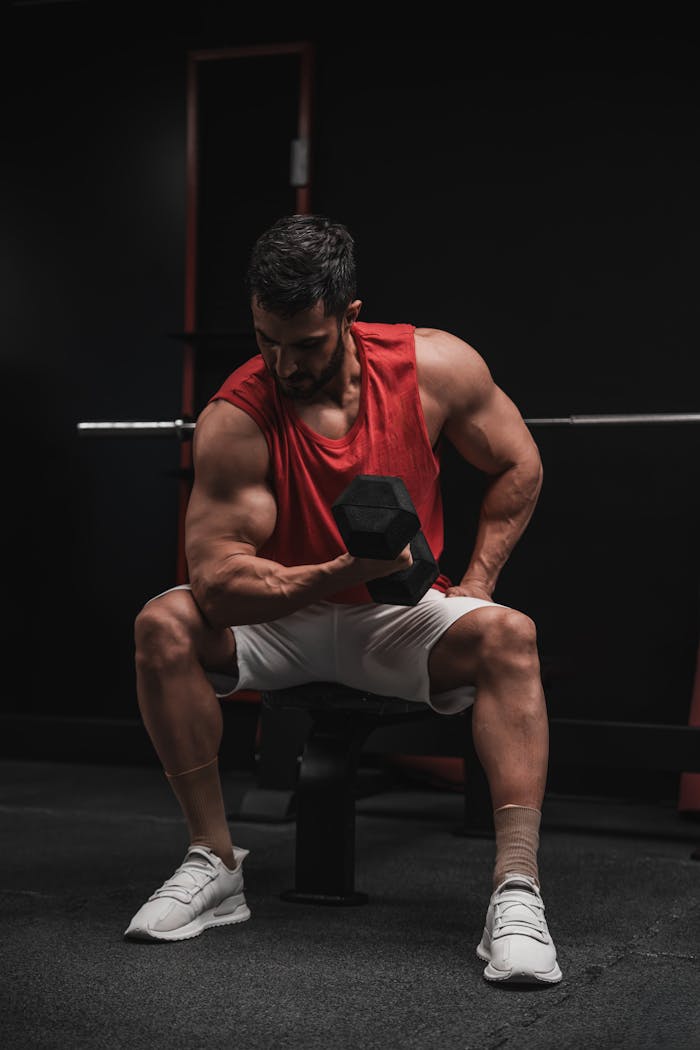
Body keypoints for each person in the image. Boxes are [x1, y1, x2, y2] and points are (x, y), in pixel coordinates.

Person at [124, 213, 562, 985]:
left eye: (306, 344)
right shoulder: (237, 416)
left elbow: (519, 463)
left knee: (511, 636)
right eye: (266, 339)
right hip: (279, 620)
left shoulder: (434, 367)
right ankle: (214, 863)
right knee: (164, 623)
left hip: (399, 620)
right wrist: (341, 568)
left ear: (349, 316)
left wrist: (480, 582)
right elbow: (218, 588)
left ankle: (517, 890)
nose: (283, 364)